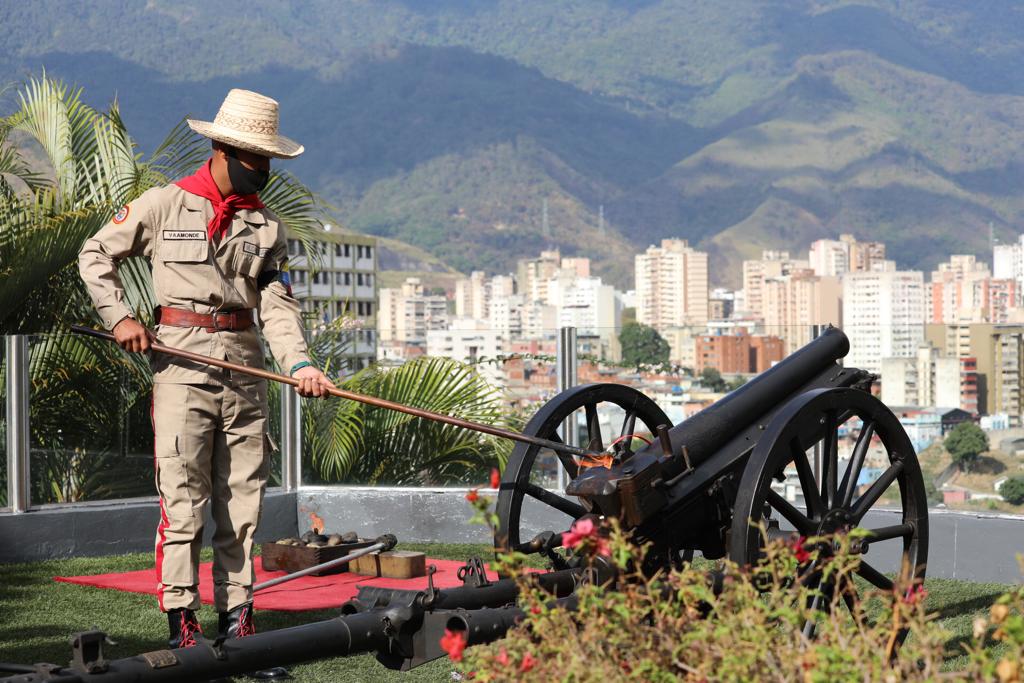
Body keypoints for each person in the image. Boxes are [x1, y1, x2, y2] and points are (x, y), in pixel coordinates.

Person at [78, 89, 333, 652]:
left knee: (243, 502)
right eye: (256, 160)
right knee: (184, 501)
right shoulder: (163, 204)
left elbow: (278, 308)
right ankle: (183, 623)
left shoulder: (268, 229)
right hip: (180, 367)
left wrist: (303, 364)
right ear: (222, 149)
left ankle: (238, 622)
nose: (265, 171)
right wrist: (120, 318)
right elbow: (94, 255)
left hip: (246, 371)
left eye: (268, 161)